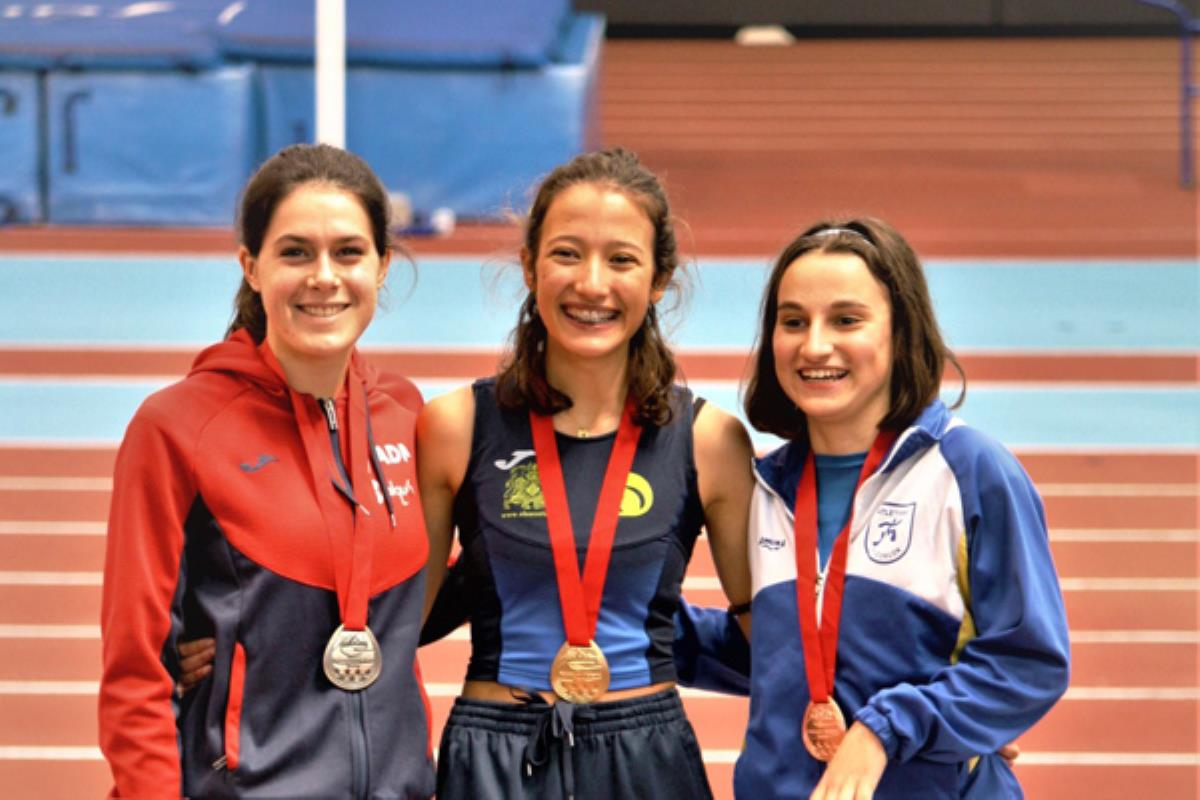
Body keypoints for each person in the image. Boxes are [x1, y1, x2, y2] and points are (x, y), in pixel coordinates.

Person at [681, 217, 1070, 799]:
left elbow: (1027, 661)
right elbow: (774, 653)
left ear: (901, 332)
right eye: (793, 322)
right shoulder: (764, 487)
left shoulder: (967, 471)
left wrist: (885, 730)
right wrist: (639, 619)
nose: (814, 345)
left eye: (846, 320)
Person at [416, 147, 755, 799]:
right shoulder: (454, 428)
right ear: (529, 265)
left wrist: (912, 705)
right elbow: (399, 623)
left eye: (621, 259)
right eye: (567, 253)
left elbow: (763, 634)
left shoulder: (710, 441)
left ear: (658, 280)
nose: (592, 284)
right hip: (495, 755)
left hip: (646, 754)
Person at [98, 143, 435, 798]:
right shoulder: (178, 427)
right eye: (295, 252)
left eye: (348, 252)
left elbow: (399, 608)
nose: (324, 276)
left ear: (383, 265)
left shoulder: (405, 413)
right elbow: (136, 672)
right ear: (251, 266)